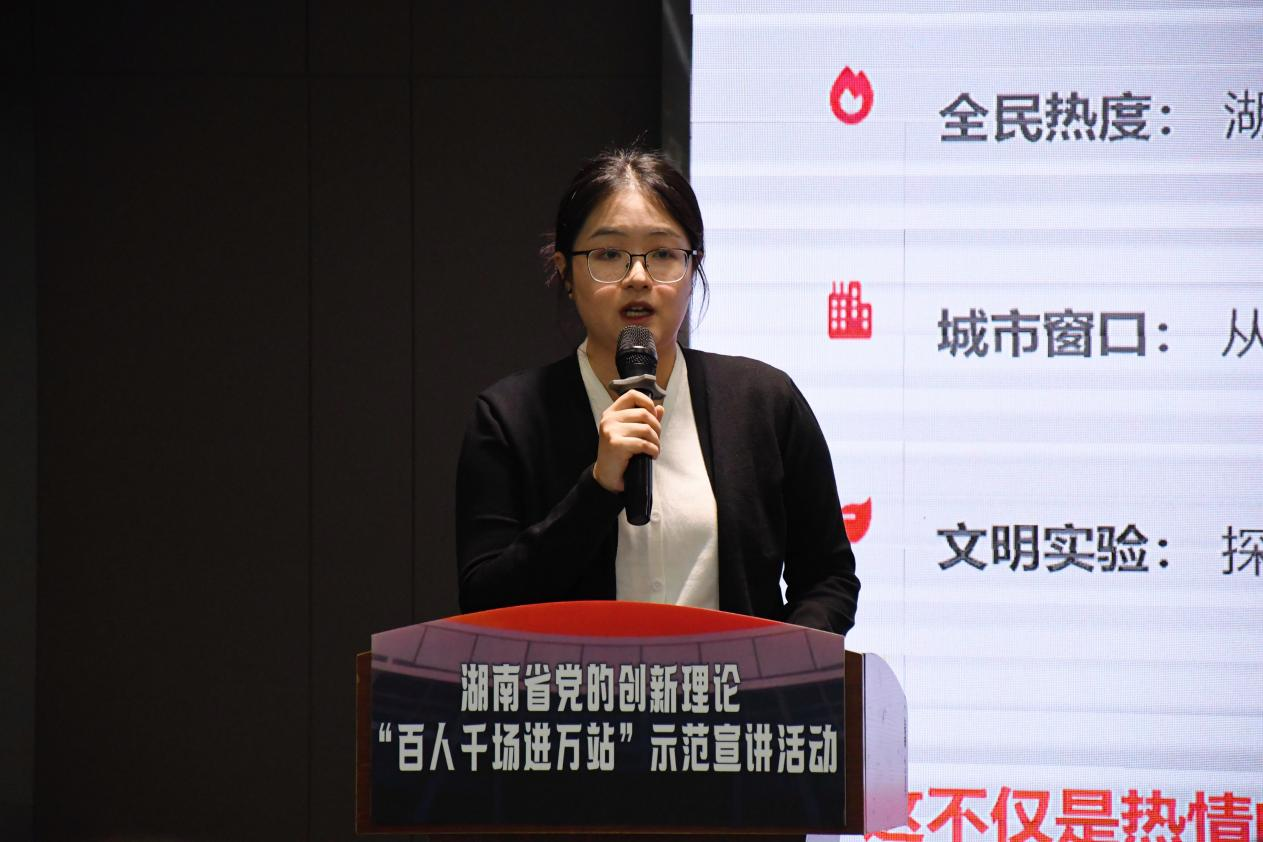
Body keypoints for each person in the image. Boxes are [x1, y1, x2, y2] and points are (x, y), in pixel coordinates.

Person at [455, 148, 859, 635]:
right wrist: (597, 489)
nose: (638, 278)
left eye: (664, 254)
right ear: (565, 271)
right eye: (608, 255)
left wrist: (785, 663)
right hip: (579, 685)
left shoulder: (765, 403)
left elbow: (829, 578)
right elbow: (485, 602)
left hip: (732, 685)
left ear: (694, 268)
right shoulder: (509, 417)